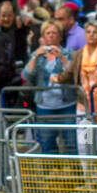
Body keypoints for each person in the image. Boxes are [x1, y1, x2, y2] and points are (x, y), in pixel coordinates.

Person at [53, 20, 97, 190]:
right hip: (84, 103)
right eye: (88, 31)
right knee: (85, 143)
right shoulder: (78, 54)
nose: (91, 35)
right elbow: (69, 73)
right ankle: (89, 180)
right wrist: (57, 78)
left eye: (95, 32)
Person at [21, 21, 76, 154]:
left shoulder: (68, 53)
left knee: (71, 143)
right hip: (44, 107)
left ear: (60, 36)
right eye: (48, 33)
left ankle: (74, 172)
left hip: (66, 105)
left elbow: (72, 73)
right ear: (43, 36)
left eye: (54, 33)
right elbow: (27, 75)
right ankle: (51, 172)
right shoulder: (37, 54)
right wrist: (34, 57)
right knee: (47, 143)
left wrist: (62, 57)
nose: (51, 36)